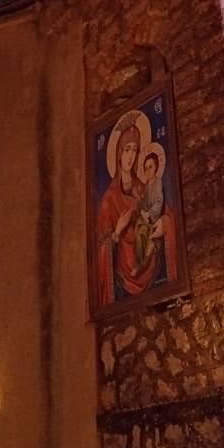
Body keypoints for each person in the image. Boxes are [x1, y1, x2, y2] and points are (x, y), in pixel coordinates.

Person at [96, 119, 176, 307]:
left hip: (149, 260)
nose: (130, 156)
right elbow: (100, 250)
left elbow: (167, 214)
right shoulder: (108, 201)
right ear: (118, 154)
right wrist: (117, 232)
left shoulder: (144, 187)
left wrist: (163, 223)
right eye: (126, 150)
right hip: (123, 277)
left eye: (134, 149)